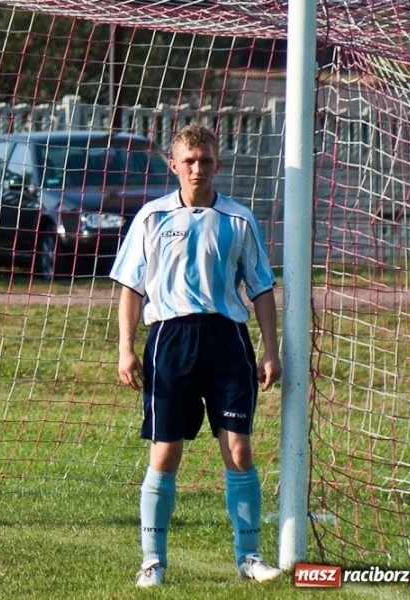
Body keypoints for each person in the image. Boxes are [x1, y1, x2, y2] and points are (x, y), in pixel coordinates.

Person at [110, 124, 282, 587]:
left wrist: (271, 350)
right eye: (188, 161)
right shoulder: (151, 217)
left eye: (205, 160)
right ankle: (153, 561)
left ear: (217, 165)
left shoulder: (239, 219)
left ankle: (249, 558)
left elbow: (261, 287)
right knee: (165, 453)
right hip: (170, 341)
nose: (197, 168)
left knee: (240, 450)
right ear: (173, 164)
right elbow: (130, 287)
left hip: (227, 341)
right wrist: (126, 348)